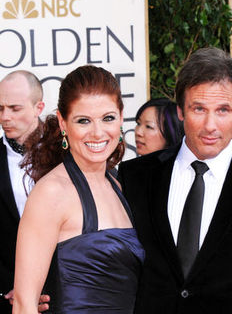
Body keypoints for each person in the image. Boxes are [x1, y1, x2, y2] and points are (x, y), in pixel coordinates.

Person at [117, 47, 232, 313]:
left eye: (223, 110)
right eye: (199, 109)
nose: (210, 125)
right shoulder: (135, 177)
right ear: (180, 111)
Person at [13, 65, 145, 314]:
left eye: (108, 118)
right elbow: (24, 304)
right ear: (63, 123)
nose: (97, 132)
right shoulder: (51, 193)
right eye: (83, 120)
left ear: (120, 116)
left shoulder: (121, 185)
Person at [0, 70, 44, 314]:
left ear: (39, 107)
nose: (5, 117)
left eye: (15, 108)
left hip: (67, 296)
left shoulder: (67, 154)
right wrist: (13, 288)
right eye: (0, 108)